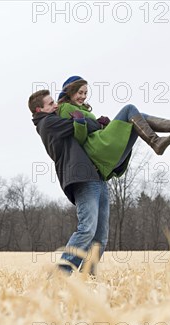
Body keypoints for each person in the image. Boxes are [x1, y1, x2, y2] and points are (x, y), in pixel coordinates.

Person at [28, 89, 112, 274]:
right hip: (82, 179)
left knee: (100, 237)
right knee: (87, 230)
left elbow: (83, 128)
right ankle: (60, 275)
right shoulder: (47, 123)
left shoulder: (52, 118)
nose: (55, 105)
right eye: (50, 104)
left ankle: (87, 279)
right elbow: (80, 124)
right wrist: (95, 123)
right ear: (39, 110)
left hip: (97, 178)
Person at [57, 75, 170, 181]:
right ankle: (157, 141)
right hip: (97, 150)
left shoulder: (80, 108)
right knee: (129, 109)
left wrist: (101, 124)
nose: (83, 96)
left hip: (104, 153)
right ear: (70, 92)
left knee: (137, 118)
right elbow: (77, 138)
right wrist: (85, 123)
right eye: (80, 93)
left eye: (85, 93)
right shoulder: (65, 107)